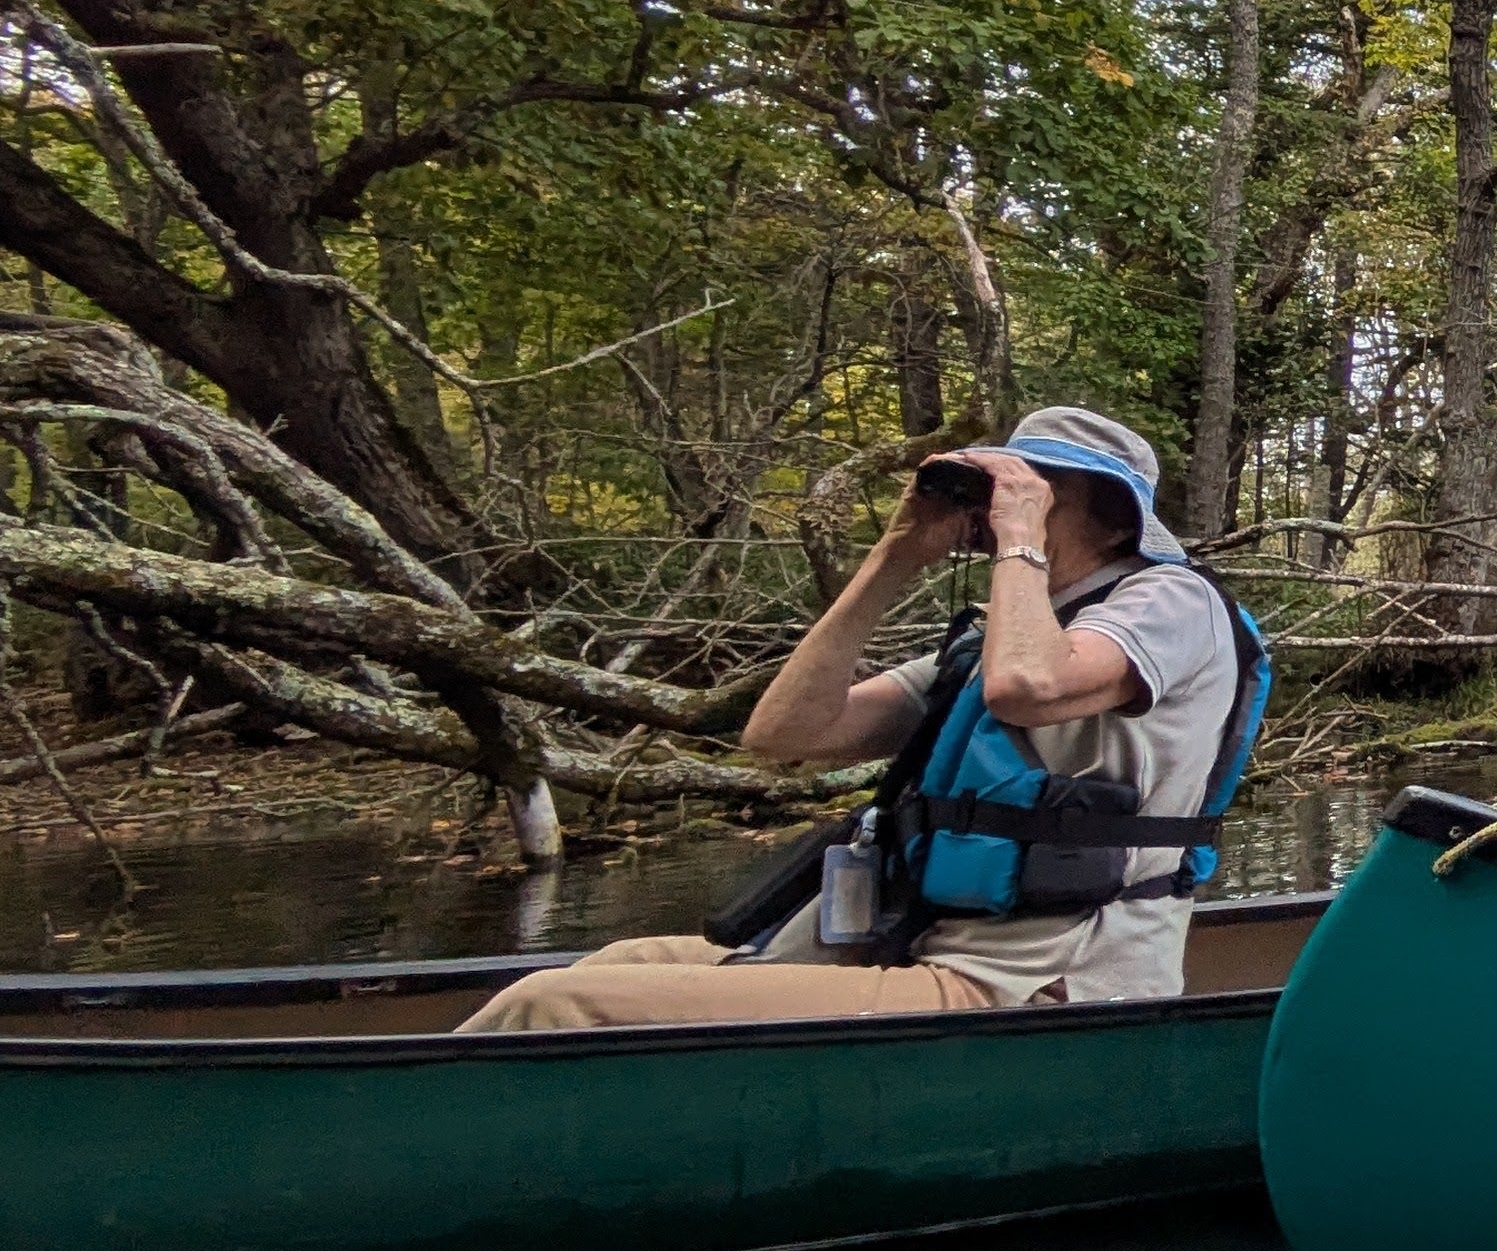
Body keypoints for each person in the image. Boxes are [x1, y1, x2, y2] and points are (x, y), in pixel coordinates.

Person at [462, 407, 1268, 1030]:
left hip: (1031, 985)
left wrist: (1018, 537)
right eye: (1005, 492)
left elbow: (1028, 686)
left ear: (1107, 512)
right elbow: (783, 736)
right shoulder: (997, 641)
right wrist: (893, 559)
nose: (1000, 512)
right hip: (912, 944)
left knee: (555, 1006)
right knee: (623, 960)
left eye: (1035, 490)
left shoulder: (1173, 599)